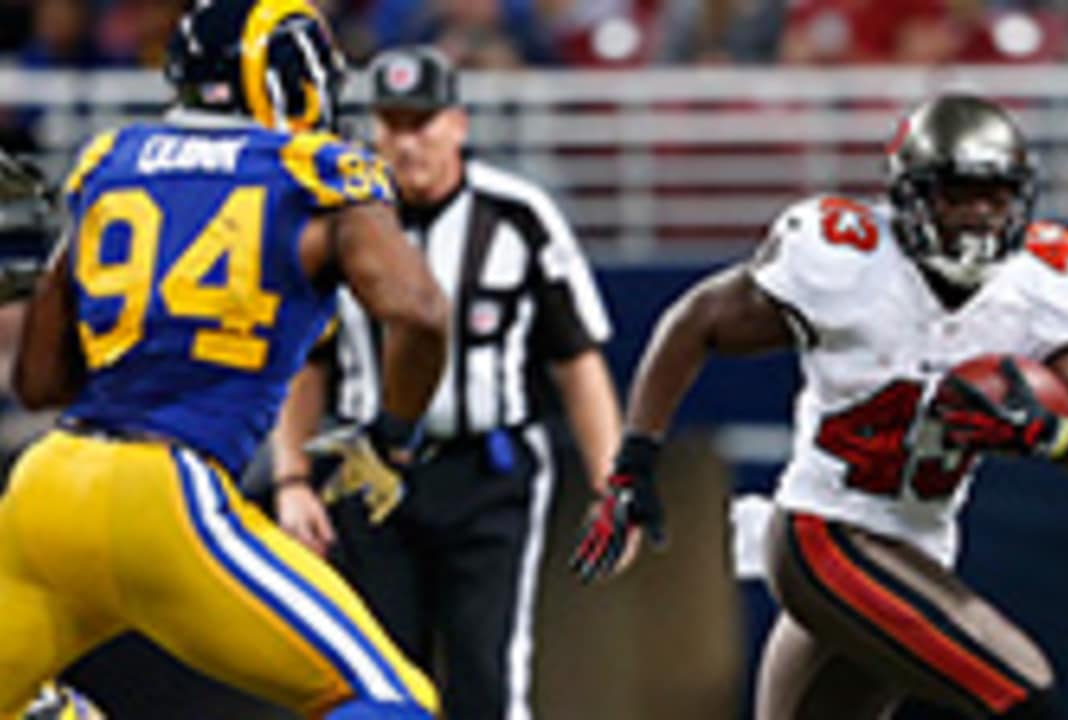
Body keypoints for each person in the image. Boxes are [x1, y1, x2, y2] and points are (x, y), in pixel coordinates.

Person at [572, 94, 1068, 719]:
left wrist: (1042, 432)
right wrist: (634, 459)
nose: (981, 214)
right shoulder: (848, 263)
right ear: (911, 196)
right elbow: (696, 320)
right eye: (957, 193)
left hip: (919, 546)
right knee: (1023, 692)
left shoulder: (1040, 285)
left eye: (997, 195)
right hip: (826, 534)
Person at [0, 1, 451, 717]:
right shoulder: (317, 172)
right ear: (291, 82)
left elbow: (38, 383)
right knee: (387, 699)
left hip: (47, 489)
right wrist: (392, 435)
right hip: (165, 496)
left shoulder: (107, 162)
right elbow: (420, 313)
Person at [270, 45, 620, 719]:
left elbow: (576, 358)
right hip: (367, 471)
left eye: (423, 122)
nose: (408, 141)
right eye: (393, 123)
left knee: (486, 672)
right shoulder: (340, 221)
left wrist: (613, 484)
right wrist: (290, 480)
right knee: (378, 672)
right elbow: (304, 363)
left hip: (488, 469)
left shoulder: (518, 216)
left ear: (457, 123)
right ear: (372, 128)